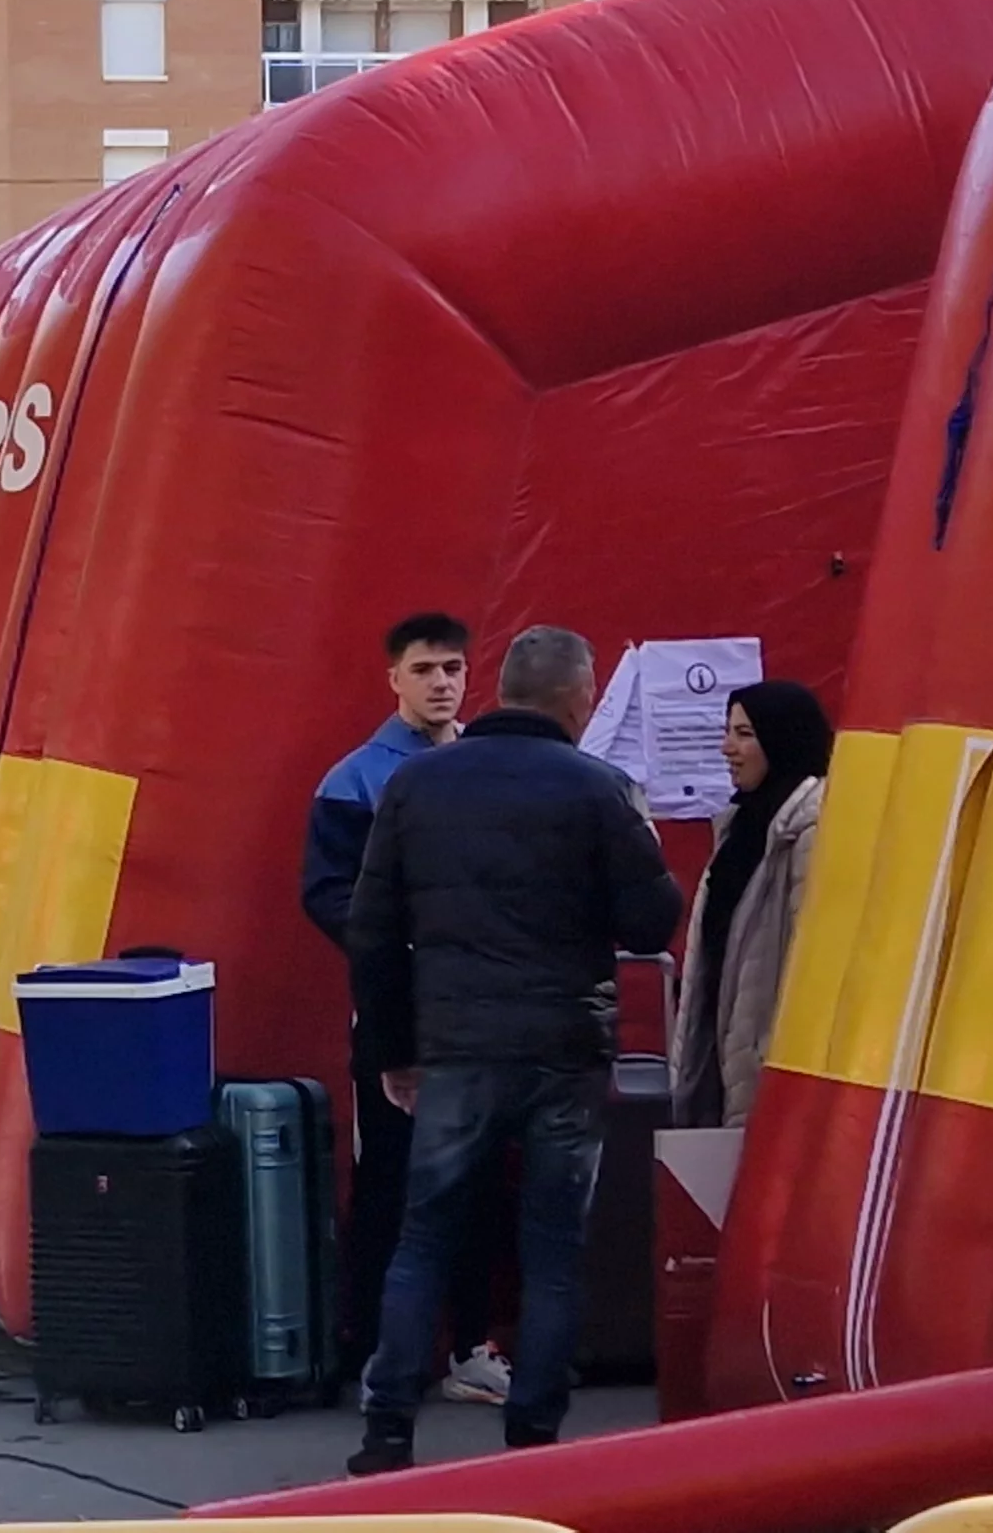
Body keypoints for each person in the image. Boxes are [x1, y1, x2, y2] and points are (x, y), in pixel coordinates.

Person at [344, 626, 683, 1474]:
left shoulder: (416, 786)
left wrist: (393, 1052)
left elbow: (374, 933)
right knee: (552, 1249)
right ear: (578, 695)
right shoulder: (601, 790)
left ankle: (387, 1430)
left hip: (454, 1049)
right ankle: (533, 1439)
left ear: (499, 686)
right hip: (564, 1048)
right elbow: (650, 920)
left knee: (423, 1239)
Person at [304, 612, 516, 1406]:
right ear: (393, 679)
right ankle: (375, 1354)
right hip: (397, 1015)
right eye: (424, 669)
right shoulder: (354, 779)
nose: (441, 683)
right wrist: (406, 950)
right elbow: (326, 894)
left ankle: (468, 1347)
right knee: (391, 1183)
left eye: (454, 669)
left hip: (483, 1014)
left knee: (484, 1181)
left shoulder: (488, 767)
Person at [676, 682, 833, 1130]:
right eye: (729, 732)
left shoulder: (812, 829)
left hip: (772, 1068)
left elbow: (811, 961)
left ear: (782, 738)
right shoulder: (739, 828)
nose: (728, 748)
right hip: (726, 1057)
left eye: (744, 734)